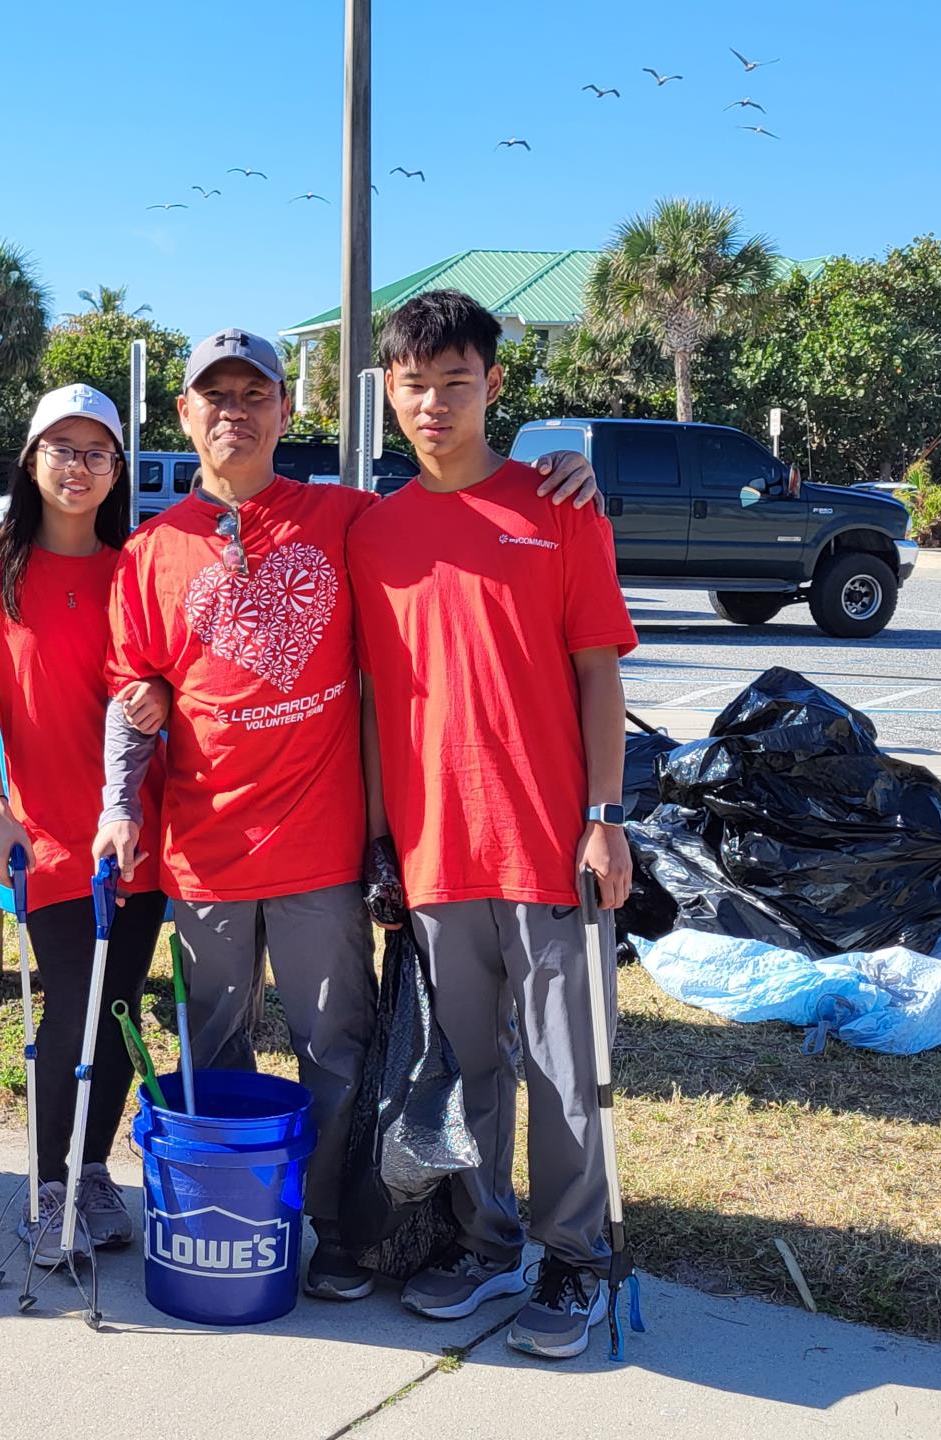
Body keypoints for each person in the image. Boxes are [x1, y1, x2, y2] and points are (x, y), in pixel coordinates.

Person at [94, 327, 601, 1301]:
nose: (234, 413)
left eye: (255, 396)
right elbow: (132, 691)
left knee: (338, 1052)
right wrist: (127, 775)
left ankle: (340, 1230)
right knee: (213, 1053)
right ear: (186, 415)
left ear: (287, 411)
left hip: (321, 851)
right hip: (203, 855)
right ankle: (240, 1219)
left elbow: (458, 494)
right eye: (216, 398)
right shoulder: (152, 552)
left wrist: (562, 467)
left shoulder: (346, 517)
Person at [349, 289, 636, 1360]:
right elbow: (377, 700)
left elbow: (600, 675)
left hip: (551, 843)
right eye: (415, 386)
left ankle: (576, 1261)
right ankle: (490, 1241)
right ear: (389, 390)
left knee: (570, 1069)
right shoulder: (373, 534)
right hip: (433, 854)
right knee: (469, 1071)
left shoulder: (560, 509)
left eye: (456, 384)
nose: (434, 404)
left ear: (494, 387)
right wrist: (382, 841)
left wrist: (606, 819)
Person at [0, 383, 168, 1265]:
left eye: (97, 452)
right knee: (68, 1008)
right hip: (44, 839)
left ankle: (92, 1171)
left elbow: (172, 679)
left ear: (118, 469)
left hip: (137, 834)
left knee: (114, 1013)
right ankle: (48, 1183)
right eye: (61, 449)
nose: (79, 467)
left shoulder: (140, 567)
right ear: (31, 461)